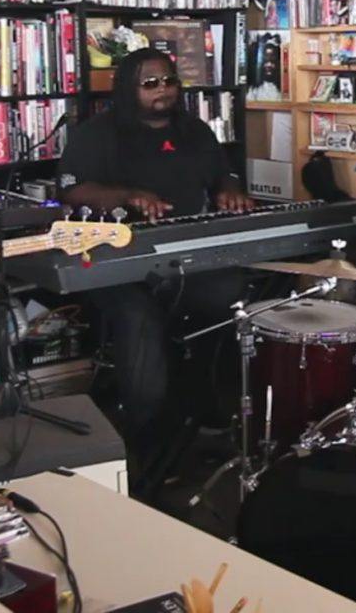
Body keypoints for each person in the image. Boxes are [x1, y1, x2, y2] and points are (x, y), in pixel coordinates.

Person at [56, 47, 253, 483]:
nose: (163, 90)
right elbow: (72, 190)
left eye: (169, 81)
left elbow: (224, 173)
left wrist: (228, 189)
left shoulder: (195, 130)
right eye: (151, 84)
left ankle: (207, 413)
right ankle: (144, 446)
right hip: (118, 260)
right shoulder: (98, 133)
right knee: (138, 319)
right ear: (129, 90)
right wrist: (128, 196)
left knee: (232, 296)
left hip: (187, 256)